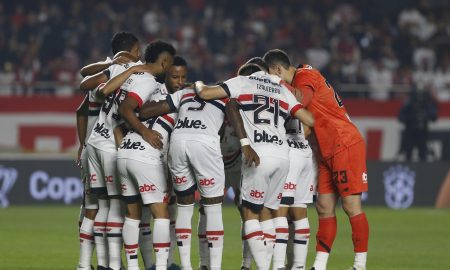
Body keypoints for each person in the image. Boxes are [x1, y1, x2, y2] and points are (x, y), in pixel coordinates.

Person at [193, 63, 314, 270]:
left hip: (257, 156)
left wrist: (195, 83)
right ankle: (273, 265)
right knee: (268, 213)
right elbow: (309, 120)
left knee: (250, 215)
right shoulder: (281, 89)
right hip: (282, 156)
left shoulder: (242, 83)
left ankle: (257, 266)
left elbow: (204, 93)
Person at [263, 49, 369, 270]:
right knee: (323, 206)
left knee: (351, 206)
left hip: (344, 143)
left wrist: (276, 84)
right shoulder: (302, 77)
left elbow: (302, 99)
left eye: (272, 75)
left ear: (277, 70)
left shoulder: (306, 76)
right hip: (324, 149)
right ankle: (319, 266)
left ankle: (360, 265)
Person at [94, 40, 175, 270]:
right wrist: (145, 131)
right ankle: (160, 267)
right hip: (141, 152)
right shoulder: (146, 80)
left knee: (132, 213)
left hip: (124, 150)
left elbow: (104, 94)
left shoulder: (131, 76)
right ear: (165, 61)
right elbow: (125, 109)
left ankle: (131, 267)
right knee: (160, 211)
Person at [76, 32, 141, 270]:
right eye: (138, 50)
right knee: (112, 206)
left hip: (93, 144)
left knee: (93, 207)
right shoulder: (133, 72)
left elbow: (83, 90)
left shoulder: (108, 74)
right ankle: (112, 264)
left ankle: (87, 265)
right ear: (134, 51)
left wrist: (82, 144)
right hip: (110, 146)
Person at [398, 89, 438, 161]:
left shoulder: (426, 105)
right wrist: (409, 118)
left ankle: (423, 169)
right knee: (408, 153)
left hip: (422, 132)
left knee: (423, 153)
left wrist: (425, 116)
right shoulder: (409, 104)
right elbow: (400, 117)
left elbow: (434, 117)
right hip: (410, 132)